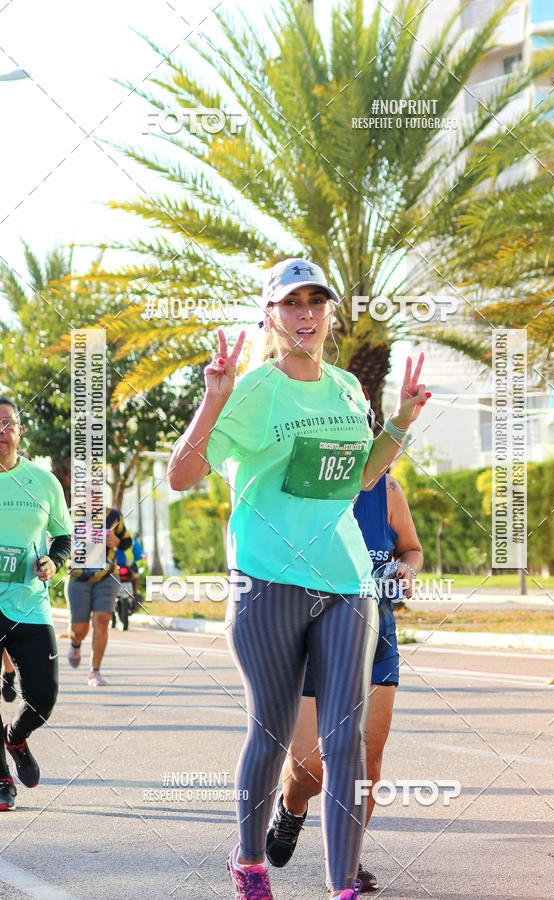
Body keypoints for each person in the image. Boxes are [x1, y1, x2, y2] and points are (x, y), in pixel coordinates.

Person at [167, 258, 429, 900]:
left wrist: (399, 422)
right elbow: (181, 475)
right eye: (292, 302)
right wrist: (213, 400)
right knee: (273, 733)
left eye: (317, 300)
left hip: (346, 582)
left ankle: (342, 885)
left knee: (345, 741)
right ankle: (249, 863)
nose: (306, 312)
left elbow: (361, 478)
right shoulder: (252, 389)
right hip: (267, 580)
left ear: (330, 312)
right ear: (270, 315)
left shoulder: (345, 387)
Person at [266, 469, 423, 892]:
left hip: (374, 632)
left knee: (366, 759)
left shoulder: (387, 489)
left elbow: (411, 549)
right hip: (308, 631)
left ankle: (346, 863)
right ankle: (292, 806)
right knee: (310, 768)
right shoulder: (295, 480)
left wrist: (406, 571)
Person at [0, 396, 72, 812]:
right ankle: (1, 779)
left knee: (43, 697)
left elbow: (63, 537)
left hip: (29, 604)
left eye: (7, 423)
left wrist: (53, 561)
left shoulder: (44, 482)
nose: (1, 431)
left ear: (19, 431)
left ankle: (16, 736)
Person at [66, 508, 132, 686]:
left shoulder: (113, 515)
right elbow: (56, 540)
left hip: (107, 577)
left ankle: (95, 671)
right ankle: (76, 643)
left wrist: (116, 540)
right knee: (80, 629)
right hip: (78, 578)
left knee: (102, 620)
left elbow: (127, 542)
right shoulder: (69, 514)